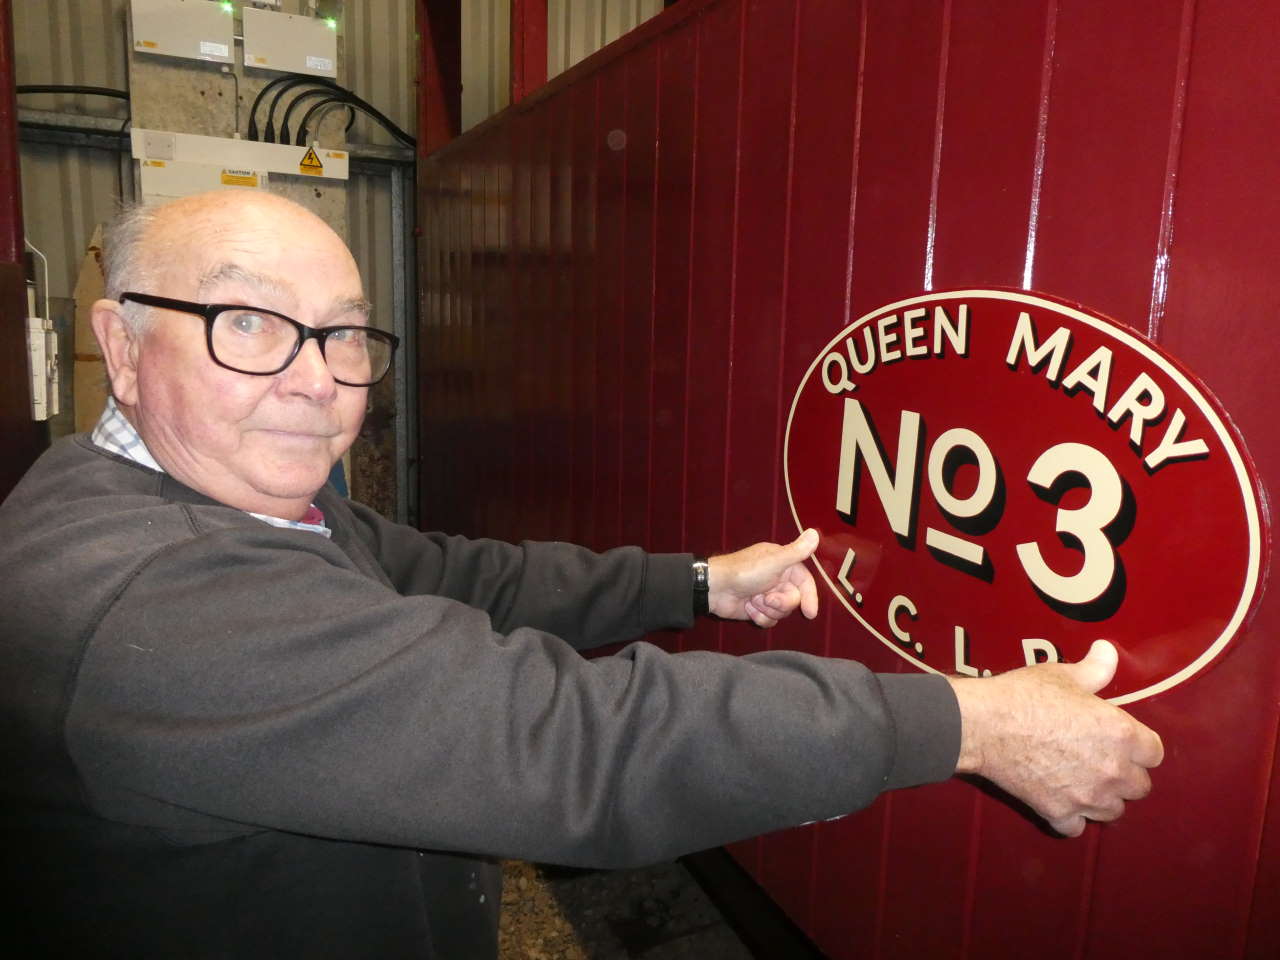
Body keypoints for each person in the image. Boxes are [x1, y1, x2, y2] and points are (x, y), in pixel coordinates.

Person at [0, 190, 1162, 958]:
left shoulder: (225, 503)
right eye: (249, 324)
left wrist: (699, 582)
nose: (318, 380)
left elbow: (462, 576)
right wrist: (963, 722)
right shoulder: (154, 600)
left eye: (345, 333)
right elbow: (572, 745)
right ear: (119, 345)